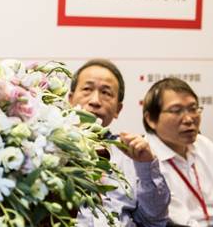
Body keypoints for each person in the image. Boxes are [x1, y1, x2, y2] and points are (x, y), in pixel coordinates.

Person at [69, 59, 170, 227]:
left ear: (118, 109)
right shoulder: (47, 147)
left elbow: (154, 220)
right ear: (70, 99)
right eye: (87, 89)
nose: (95, 101)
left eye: (106, 93)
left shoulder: (132, 153)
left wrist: (146, 166)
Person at [143, 78, 213, 226]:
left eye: (193, 109)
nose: (189, 119)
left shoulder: (206, 146)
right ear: (151, 119)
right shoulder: (144, 159)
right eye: (176, 111)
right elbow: (173, 220)